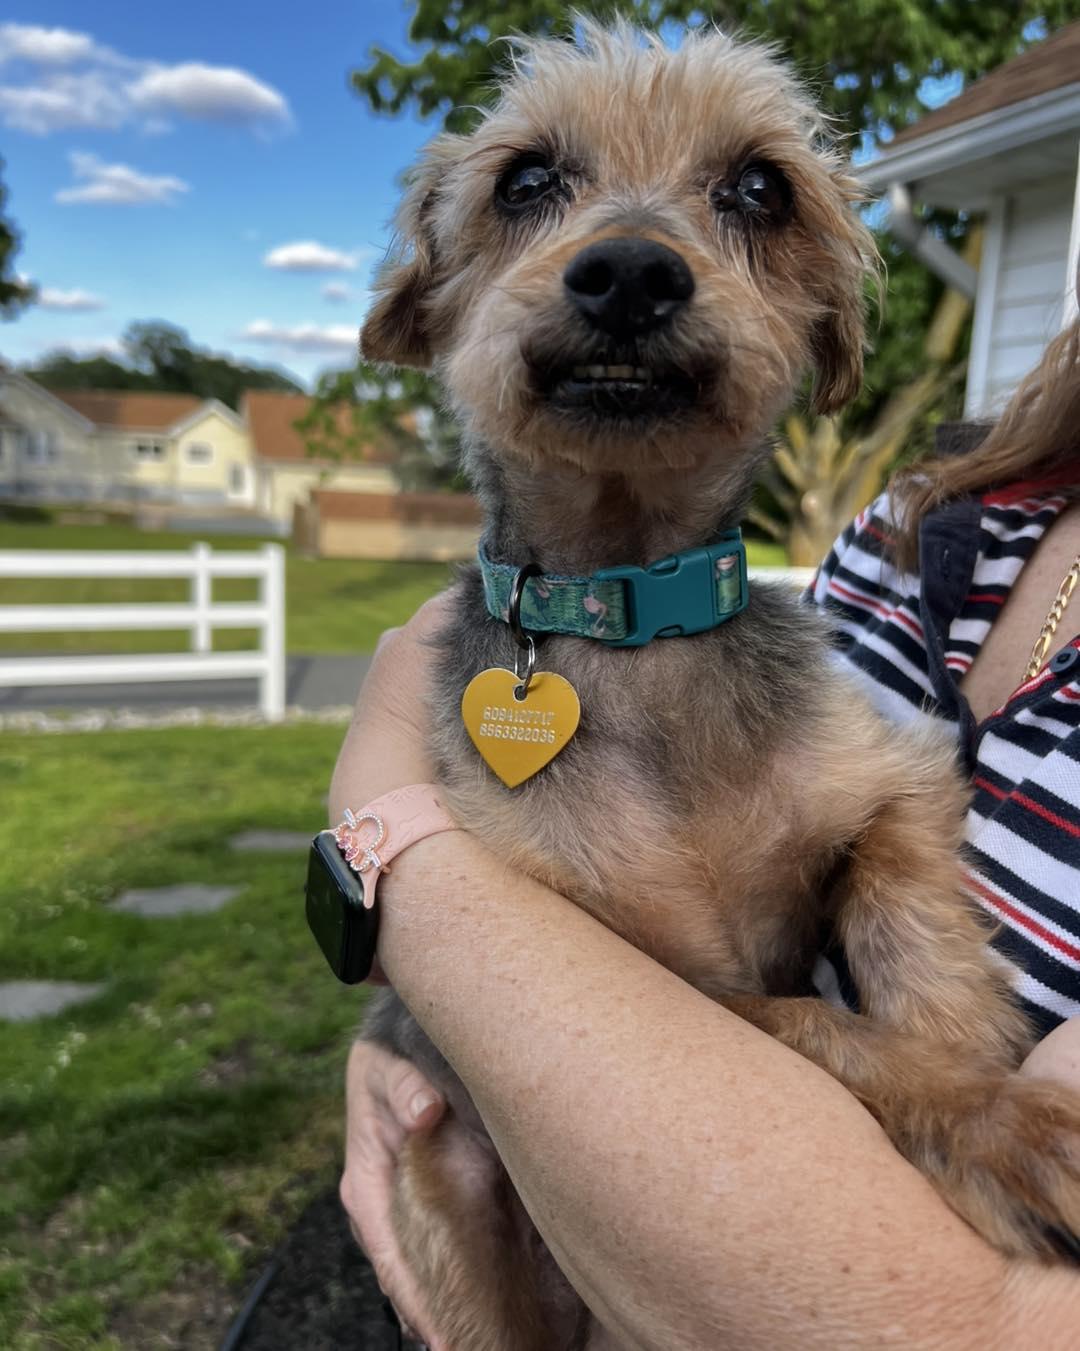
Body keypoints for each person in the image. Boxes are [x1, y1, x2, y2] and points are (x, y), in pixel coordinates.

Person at [332, 302, 1080, 1349]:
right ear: (433, 296)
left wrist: (390, 854)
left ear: (825, 326)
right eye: (531, 187)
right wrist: (415, 1025)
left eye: (752, 197)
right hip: (489, 1186)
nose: (632, 261)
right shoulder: (931, 518)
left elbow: (978, 1319)